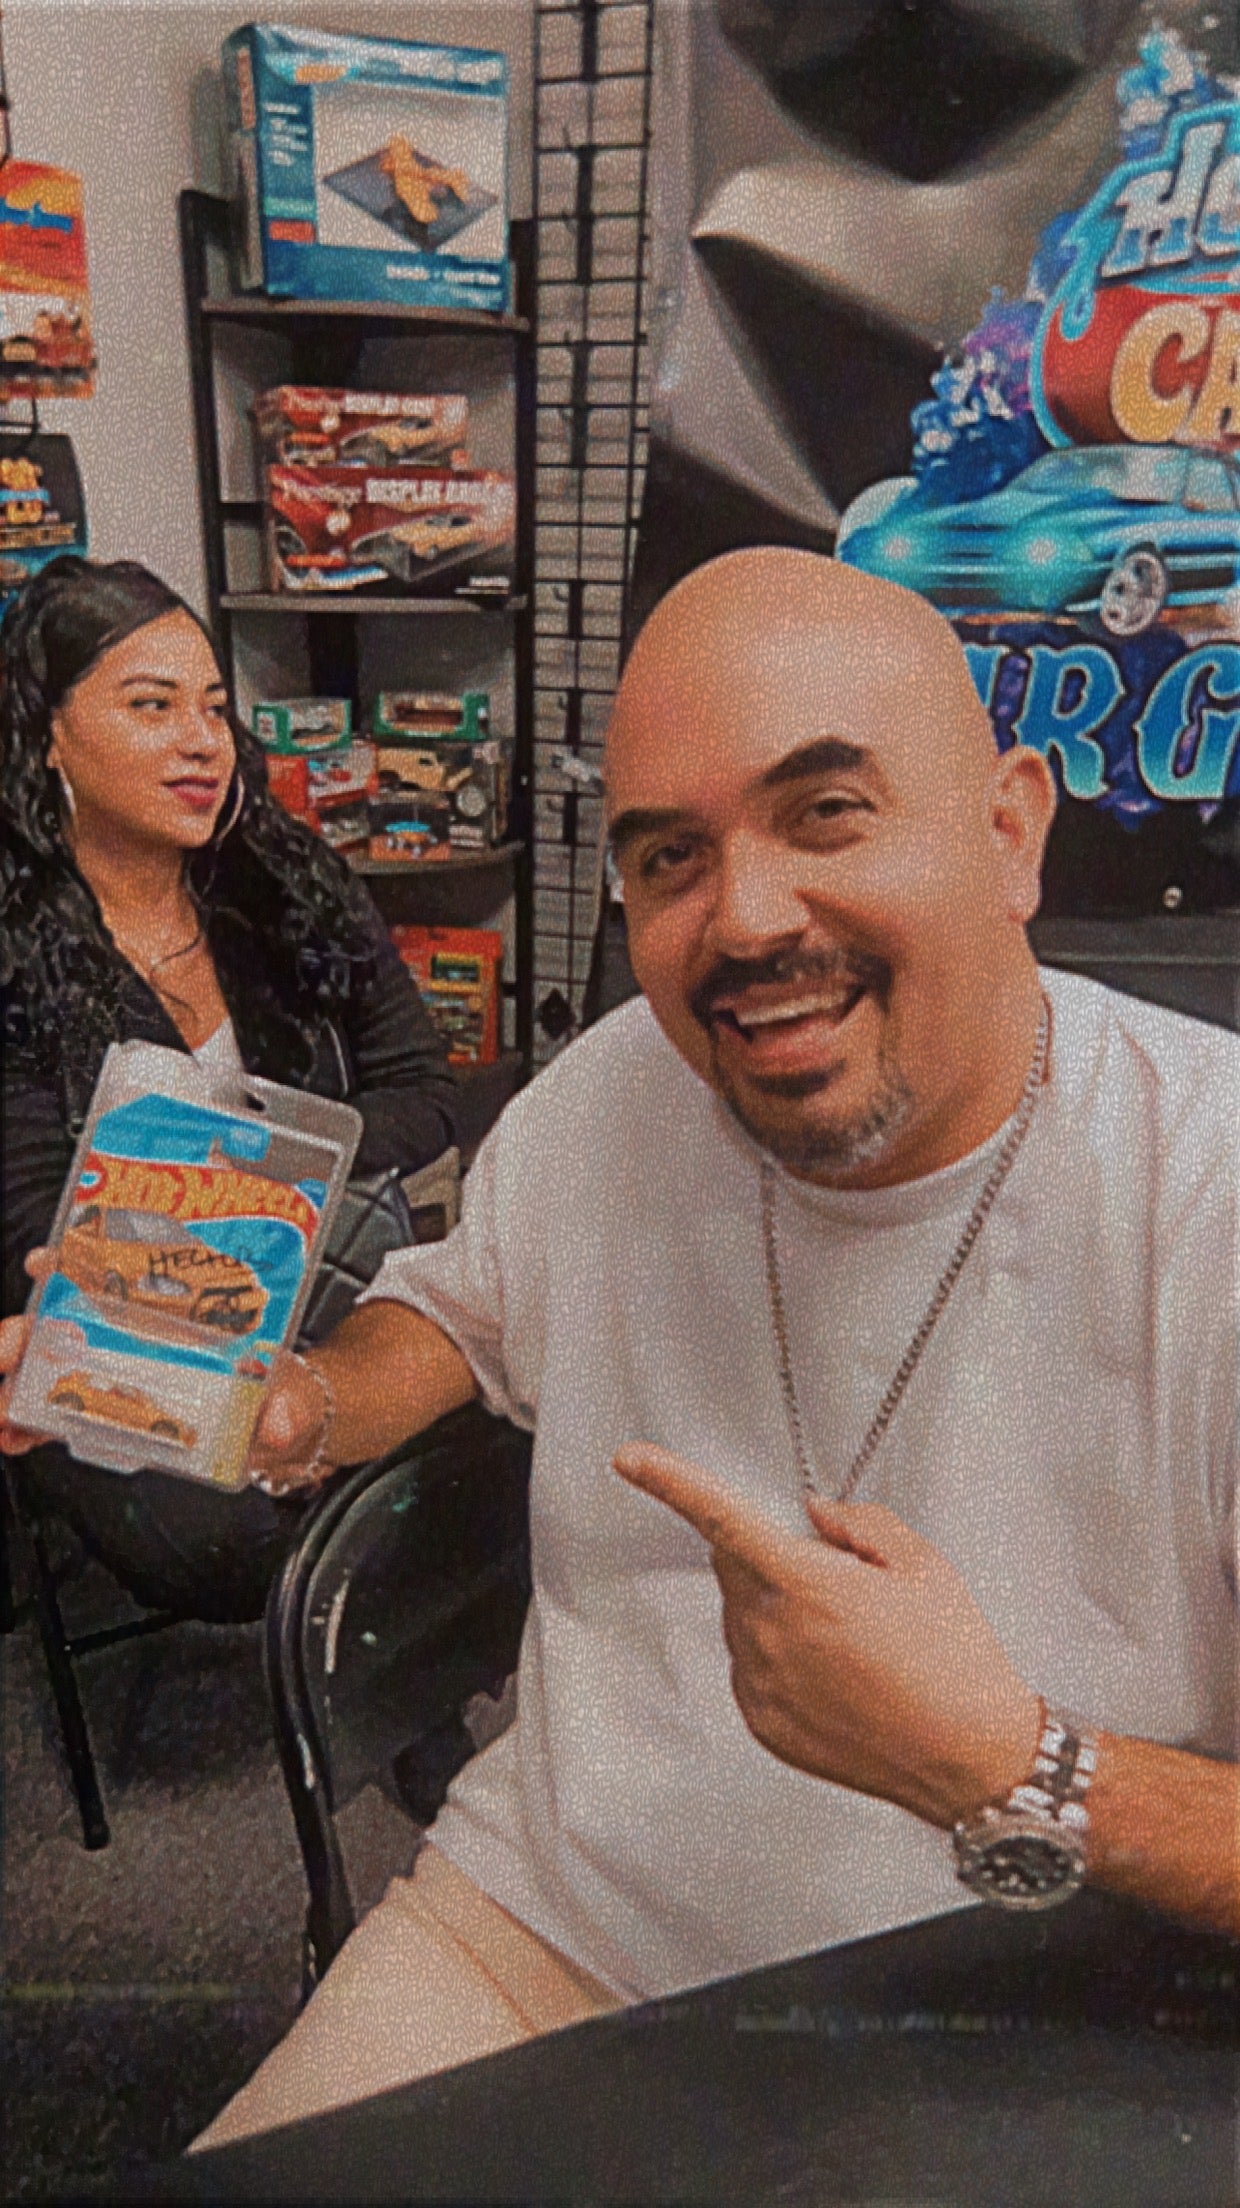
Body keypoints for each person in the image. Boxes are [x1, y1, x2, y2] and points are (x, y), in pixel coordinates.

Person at [4, 550, 1236, 2141]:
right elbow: (454, 1316)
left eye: (827, 813)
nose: (748, 918)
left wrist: (1020, 1765)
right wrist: (298, 1404)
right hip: (535, 1935)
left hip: (1043, 2010)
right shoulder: (607, 1095)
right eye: (671, 857)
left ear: (1009, 830)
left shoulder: (1203, 1193)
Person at [0, 555, 457, 1620]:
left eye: (213, 706)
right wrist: (262, 1192)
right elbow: (36, 1216)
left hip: (332, 1288)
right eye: (151, 706)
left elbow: (426, 1091)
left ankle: (407, 1666)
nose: (203, 740)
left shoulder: (285, 879)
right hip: (125, 1329)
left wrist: (261, 1181)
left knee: (480, 1423)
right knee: (244, 1536)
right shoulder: (17, 949)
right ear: (48, 736)